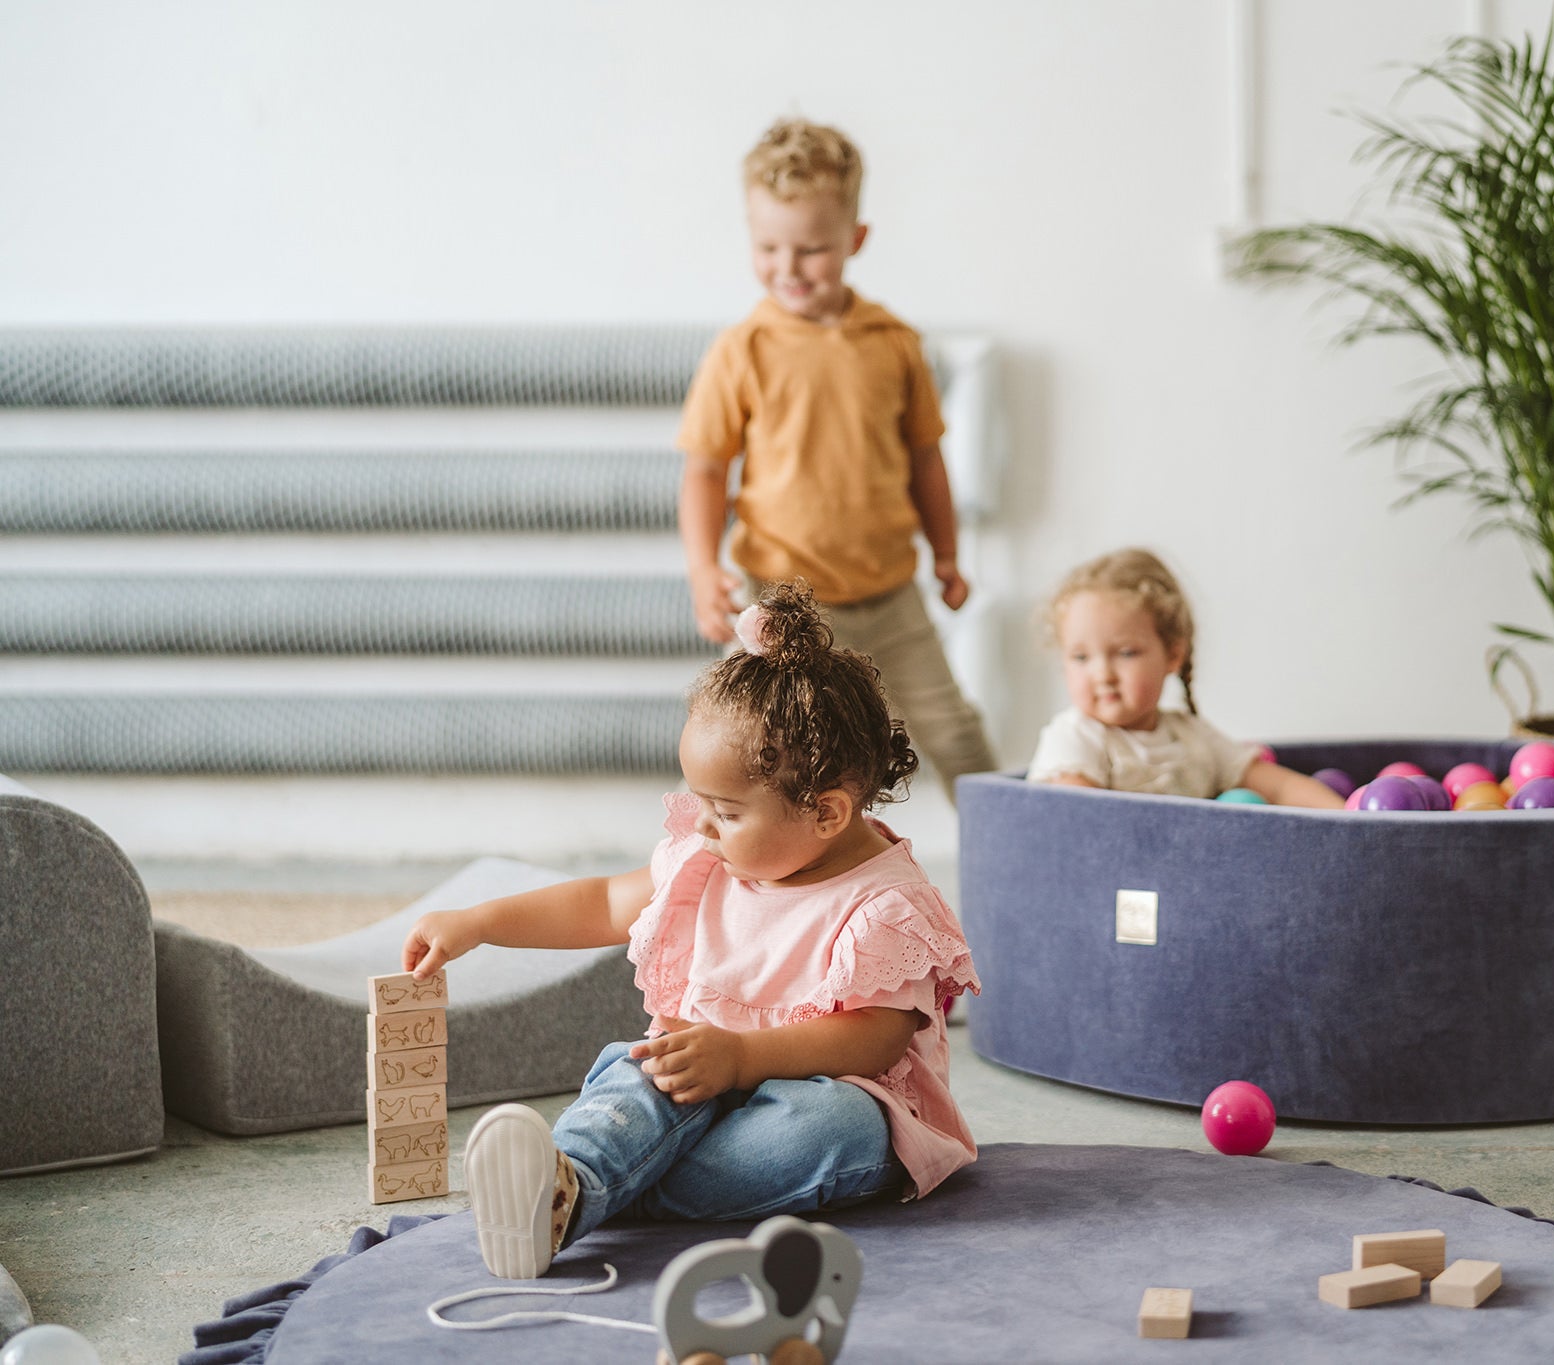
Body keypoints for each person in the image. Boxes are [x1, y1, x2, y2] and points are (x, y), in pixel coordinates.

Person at [403, 581, 980, 1279]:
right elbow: (604, 901)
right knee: (638, 1069)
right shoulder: (708, 858)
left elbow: (875, 1035)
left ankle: (589, 1195)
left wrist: (741, 1057)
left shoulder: (886, 904)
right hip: (706, 1075)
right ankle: (571, 1177)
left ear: (827, 811)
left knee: (829, 1130)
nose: (701, 824)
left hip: (833, 1093)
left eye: (726, 810)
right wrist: (481, 921)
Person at [678, 117, 998, 802]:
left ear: (854, 241)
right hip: (782, 603)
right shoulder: (743, 350)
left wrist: (946, 554)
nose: (788, 268)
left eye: (812, 249)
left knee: (958, 735)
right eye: (768, 247)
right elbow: (706, 469)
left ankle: (1019, 873)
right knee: (754, 748)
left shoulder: (893, 342)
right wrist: (704, 567)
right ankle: (736, 880)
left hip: (891, 599)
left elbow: (925, 458)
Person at [1026, 548, 1344, 808]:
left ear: (1172, 655)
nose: (1102, 674)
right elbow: (1077, 822)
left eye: (1125, 653)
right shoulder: (1075, 738)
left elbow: (1280, 787)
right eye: (1080, 657)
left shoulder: (1193, 737)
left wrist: (1349, 820)